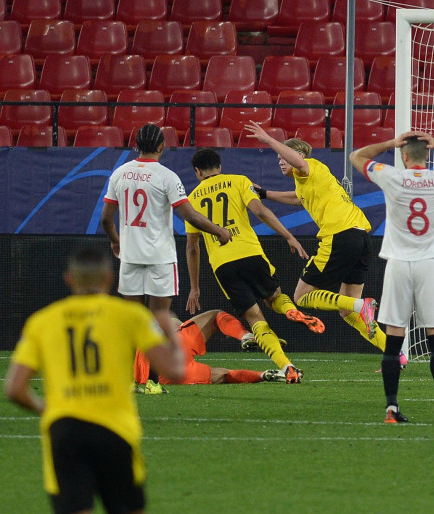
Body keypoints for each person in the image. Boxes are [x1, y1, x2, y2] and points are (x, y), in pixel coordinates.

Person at [4, 245, 187, 514]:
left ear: (69, 281)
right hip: (114, 432)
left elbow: (14, 389)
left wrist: (46, 409)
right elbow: (175, 371)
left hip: (64, 432)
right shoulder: (130, 316)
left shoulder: (43, 321)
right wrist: (168, 329)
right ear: (109, 281)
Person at [349, 131, 434, 424]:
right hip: (429, 264)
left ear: (404, 156)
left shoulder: (391, 176)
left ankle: (391, 410)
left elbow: (357, 156)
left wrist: (389, 144)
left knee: (394, 340)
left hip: (398, 264)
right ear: (427, 155)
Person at [244, 122, 395, 363]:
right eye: (278, 158)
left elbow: (300, 163)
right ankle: (392, 353)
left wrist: (268, 140)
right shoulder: (306, 181)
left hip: (340, 235)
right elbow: (297, 199)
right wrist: (265, 194)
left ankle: (361, 305)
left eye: (283, 155)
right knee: (347, 311)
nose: (280, 160)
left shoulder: (309, 166)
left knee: (302, 296)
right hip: (360, 237)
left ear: (297, 154)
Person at [184, 148, 318, 383]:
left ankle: (287, 366)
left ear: (197, 171)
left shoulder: (191, 199)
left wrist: (194, 287)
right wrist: (288, 236)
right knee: (275, 297)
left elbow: (192, 247)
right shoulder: (238, 181)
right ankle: (290, 310)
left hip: (222, 264)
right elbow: (261, 211)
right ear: (220, 166)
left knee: (255, 317)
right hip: (250, 252)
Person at [100, 123, 233, 318]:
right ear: (161, 146)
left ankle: (134, 350)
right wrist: (220, 231)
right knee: (160, 320)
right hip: (159, 258)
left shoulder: (119, 174)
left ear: (136, 146)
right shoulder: (167, 177)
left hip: (130, 256)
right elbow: (190, 215)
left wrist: (115, 241)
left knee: (136, 322)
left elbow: (105, 219)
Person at [134, 309, 289, 386]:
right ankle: (244, 336)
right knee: (216, 316)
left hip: (170, 374)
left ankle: (264, 375)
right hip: (176, 345)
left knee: (224, 375)